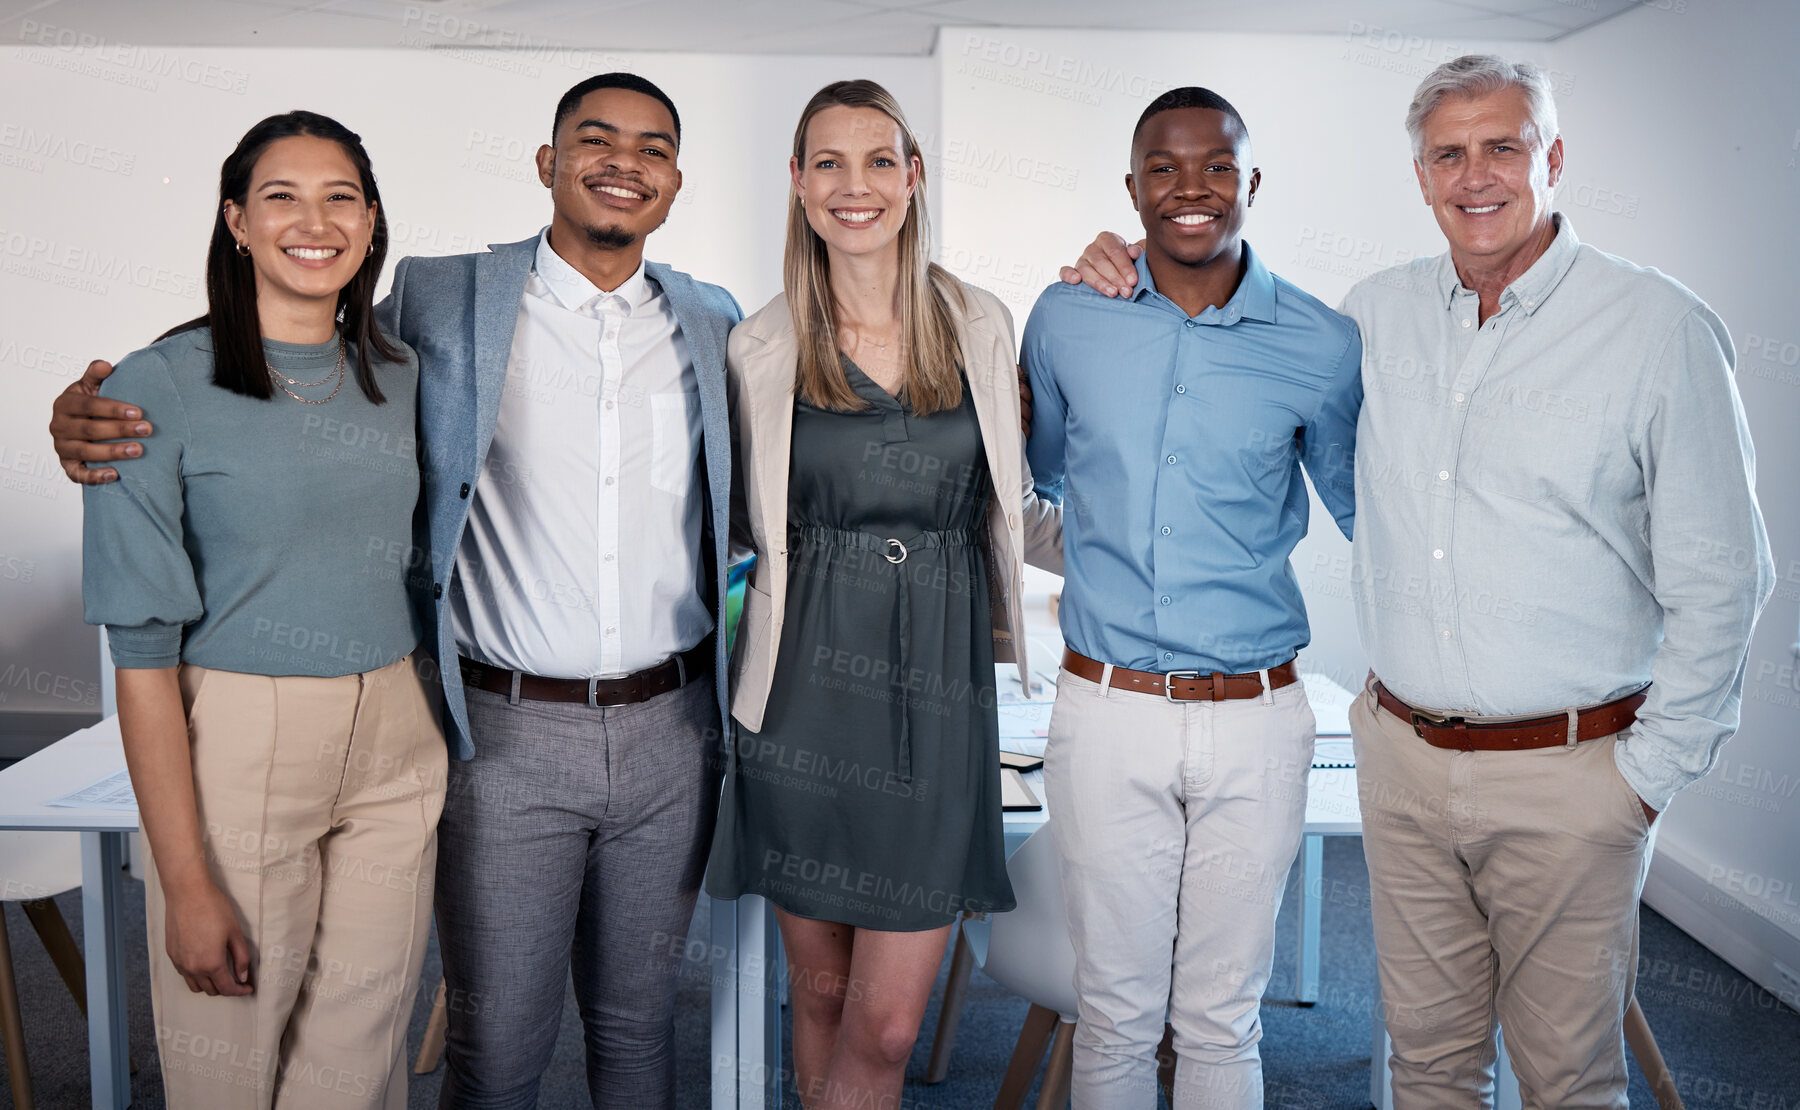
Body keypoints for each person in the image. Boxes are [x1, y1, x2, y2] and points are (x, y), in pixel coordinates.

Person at [1065, 56, 1773, 1110]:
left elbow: (1726, 580)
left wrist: (1643, 780)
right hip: (1404, 764)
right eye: (1449, 152)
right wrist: (1107, 273)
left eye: (1503, 147)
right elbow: (1341, 483)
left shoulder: (1656, 331)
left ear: (1554, 160)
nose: (1474, 174)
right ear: (1421, 173)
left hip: (1570, 776)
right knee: (1430, 1071)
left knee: (1569, 1078)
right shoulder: (1375, 318)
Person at [53, 74, 741, 1109]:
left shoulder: (706, 317)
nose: (622, 160)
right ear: (547, 164)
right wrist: (86, 416)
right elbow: (272, 339)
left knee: (536, 1038)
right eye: (593, 138)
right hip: (492, 727)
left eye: (652, 146)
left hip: (622, 729)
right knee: (483, 1041)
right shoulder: (439, 300)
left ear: (677, 181)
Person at [705, 79, 1061, 1109]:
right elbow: (728, 526)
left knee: (888, 1023)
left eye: (876, 161)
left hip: (939, 704)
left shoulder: (981, 324)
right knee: (816, 1005)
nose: (853, 186)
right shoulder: (757, 347)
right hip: (803, 700)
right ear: (798, 183)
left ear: (912, 176)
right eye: (828, 162)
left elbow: (1020, 504)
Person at [81, 110, 442, 1107]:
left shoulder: (407, 375)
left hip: (400, 741)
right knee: (225, 1068)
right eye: (281, 195)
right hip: (242, 737)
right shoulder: (154, 390)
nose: (313, 219)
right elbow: (142, 661)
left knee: (358, 1064)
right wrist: (185, 884)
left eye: (340, 196)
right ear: (236, 221)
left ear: (371, 221)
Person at [1022, 87, 1360, 1108]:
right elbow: (1039, 481)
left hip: (1257, 719)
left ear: (1250, 183)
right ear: (1132, 188)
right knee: (1114, 1013)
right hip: (1105, 709)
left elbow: (1377, 518)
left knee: (1221, 1018)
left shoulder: (1320, 343)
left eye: (1217, 165)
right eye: (1163, 168)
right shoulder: (1066, 319)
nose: (1191, 189)